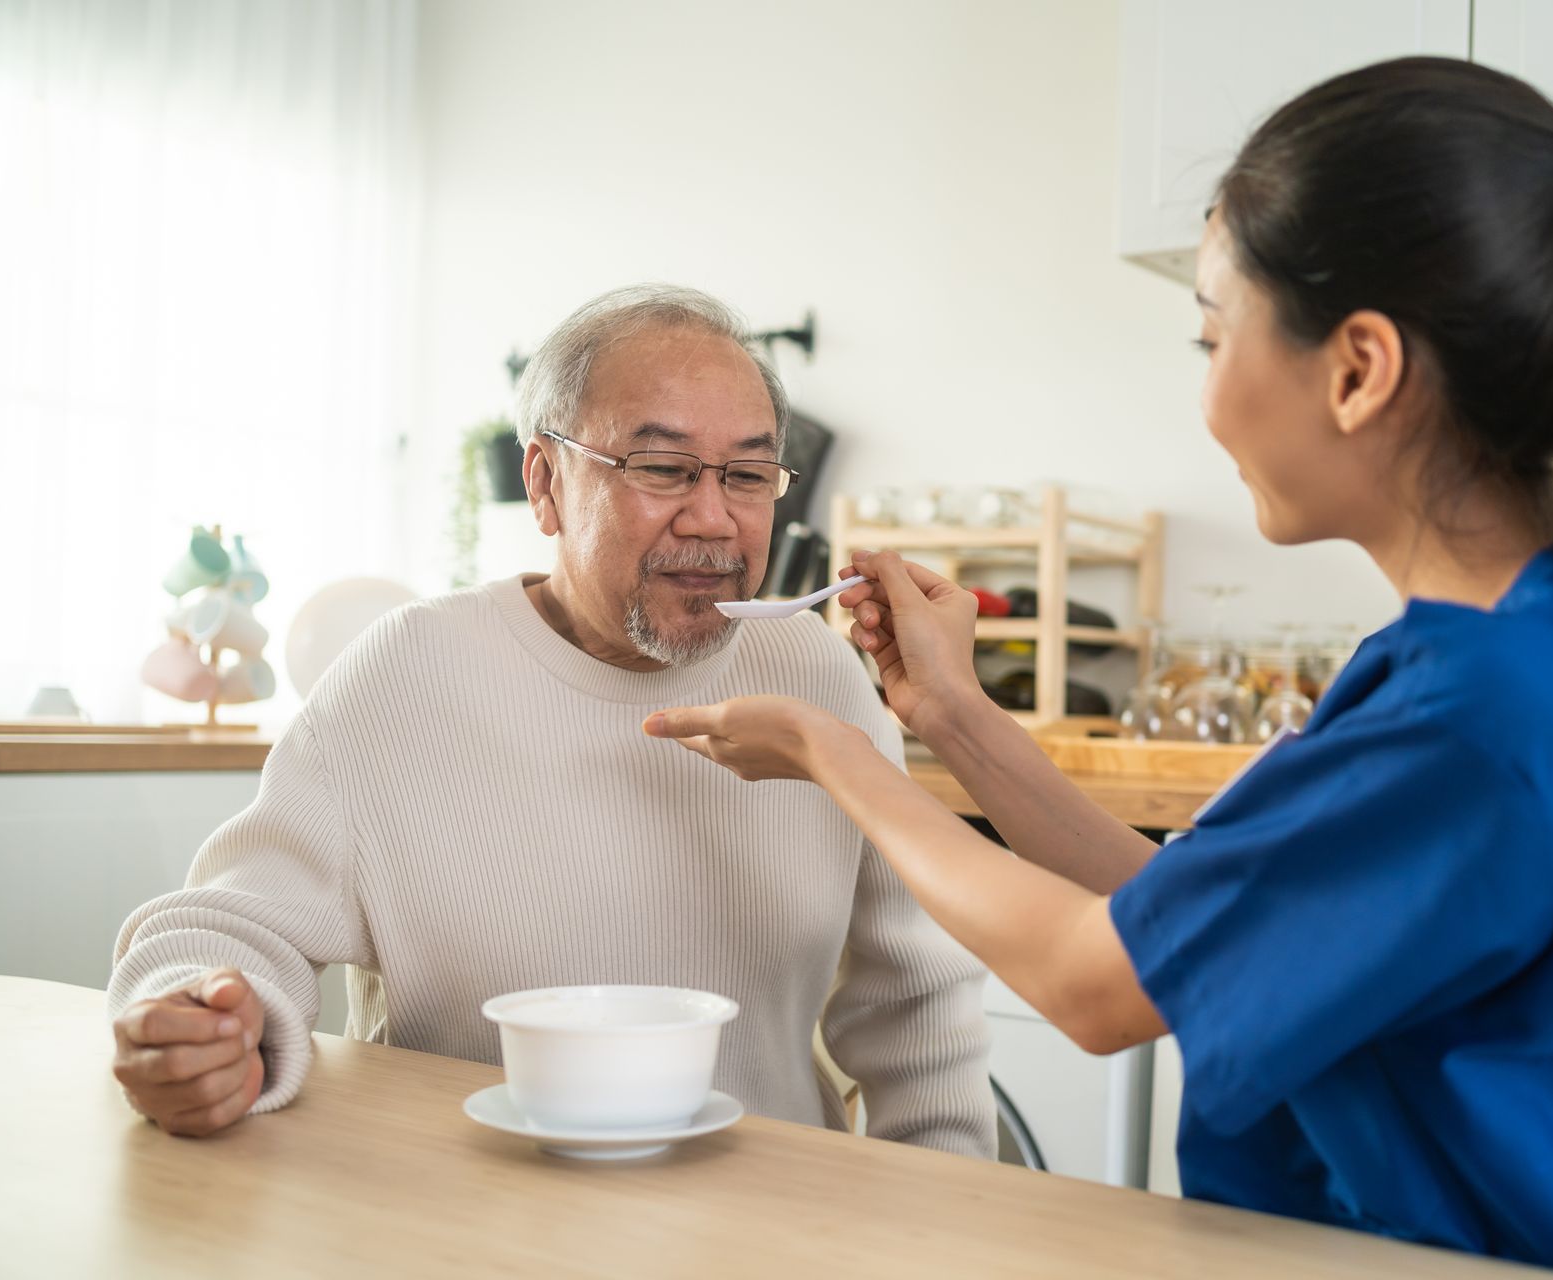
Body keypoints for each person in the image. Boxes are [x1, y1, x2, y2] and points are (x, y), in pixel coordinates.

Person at [643, 58, 1553, 1277]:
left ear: (1359, 370)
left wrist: (832, 752)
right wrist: (953, 715)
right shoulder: (1549, 645)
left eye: (1213, 336)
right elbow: (1175, 920)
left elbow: (1098, 984)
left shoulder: (1478, 719)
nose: (1206, 400)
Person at [107, 284, 994, 1159]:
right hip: (462, 1218)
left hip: (767, 1222)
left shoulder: (818, 673)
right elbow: (228, 925)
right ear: (545, 483)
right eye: (661, 467)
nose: (715, 517)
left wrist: (955, 1215)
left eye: (749, 475)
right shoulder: (408, 671)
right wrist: (202, 1018)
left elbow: (918, 1004)